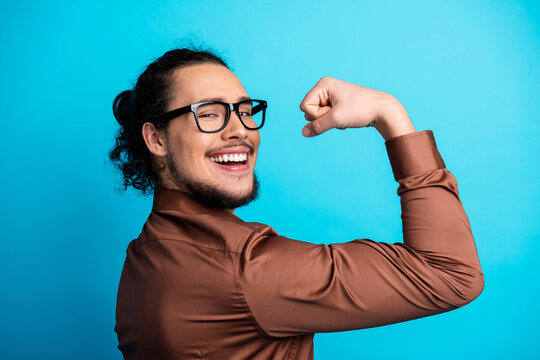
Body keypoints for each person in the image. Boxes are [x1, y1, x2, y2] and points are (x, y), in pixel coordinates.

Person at [111, 48, 484, 360]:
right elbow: (451, 274)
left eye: (244, 110)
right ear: (156, 139)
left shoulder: (143, 257)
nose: (240, 128)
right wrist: (390, 113)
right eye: (208, 114)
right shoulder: (245, 270)